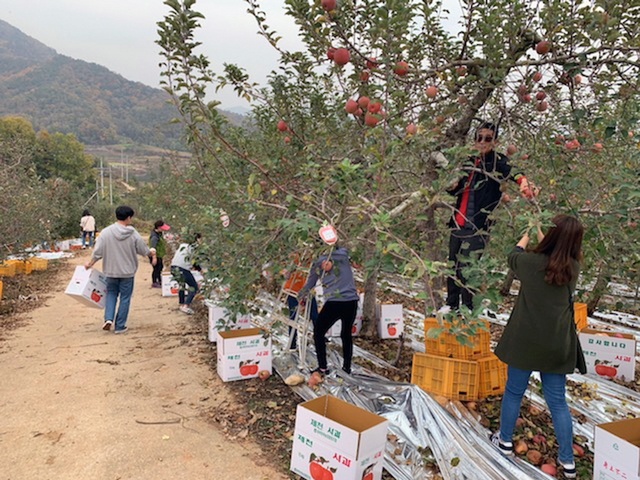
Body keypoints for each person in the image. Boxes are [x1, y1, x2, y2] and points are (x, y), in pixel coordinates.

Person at [492, 215, 585, 480]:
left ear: (552, 236)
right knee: (557, 402)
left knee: (513, 393)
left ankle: (506, 442)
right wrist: (544, 233)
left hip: (525, 342)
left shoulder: (529, 263)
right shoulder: (573, 267)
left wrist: (527, 233)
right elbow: (555, 254)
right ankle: (567, 462)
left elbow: (513, 255)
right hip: (556, 344)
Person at [444, 121, 538, 311]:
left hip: (478, 225)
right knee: (453, 266)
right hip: (458, 221)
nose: (482, 142)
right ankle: (451, 305)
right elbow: (457, 189)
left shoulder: (497, 162)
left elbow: (514, 171)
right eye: (479, 138)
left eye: (487, 138)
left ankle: (467, 308)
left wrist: (524, 182)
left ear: (495, 141)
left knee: (468, 270)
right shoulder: (468, 161)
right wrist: (451, 187)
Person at [85, 206, 156, 333]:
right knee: (125, 298)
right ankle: (120, 326)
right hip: (127, 272)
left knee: (111, 294)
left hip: (110, 271)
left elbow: (97, 252)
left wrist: (90, 263)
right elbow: (143, 250)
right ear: (128, 217)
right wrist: (151, 252)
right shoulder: (133, 233)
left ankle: (108, 318)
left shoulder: (106, 232)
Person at [297, 245, 358, 375]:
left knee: (318, 333)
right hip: (352, 301)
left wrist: (300, 296)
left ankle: (323, 367)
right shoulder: (344, 255)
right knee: (346, 334)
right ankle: (347, 368)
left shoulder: (319, 262)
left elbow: (310, 284)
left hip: (334, 302)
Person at [282, 252, 318, 350]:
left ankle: (319, 336)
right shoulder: (294, 257)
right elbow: (285, 271)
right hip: (293, 290)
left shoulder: (312, 258)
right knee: (293, 316)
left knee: (314, 315)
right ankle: (292, 342)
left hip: (307, 290)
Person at [171, 233, 202, 315]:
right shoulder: (193, 248)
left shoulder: (183, 245)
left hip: (173, 267)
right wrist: (200, 270)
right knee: (194, 287)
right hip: (182, 268)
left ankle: (181, 304)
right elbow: (194, 261)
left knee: (182, 286)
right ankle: (186, 305)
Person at [149, 220, 170, 288]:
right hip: (154, 255)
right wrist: (154, 258)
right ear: (158, 227)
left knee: (160, 267)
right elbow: (152, 248)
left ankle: (159, 280)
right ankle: (154, 282)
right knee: (156, 269)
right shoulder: (154, 237)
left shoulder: (159, 234)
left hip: (159, 255)